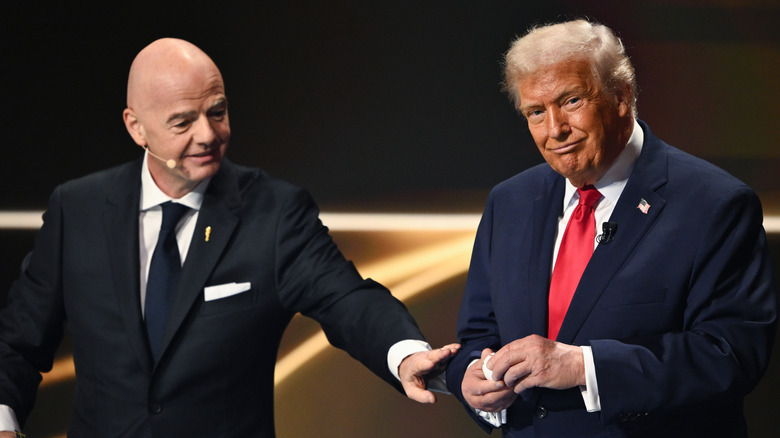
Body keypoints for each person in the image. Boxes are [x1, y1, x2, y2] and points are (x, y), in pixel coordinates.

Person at [0, 38, 458, 437]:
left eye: (217, 112)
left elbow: (347, 299)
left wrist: (404, 355)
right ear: (136, 127)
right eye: (183, 122)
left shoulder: (276, 212)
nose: (208, 135)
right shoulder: (76, 209)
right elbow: (18, 341)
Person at [445, 19, 777, 437]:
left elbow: (731, 355)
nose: (555, 129)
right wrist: (470, 376)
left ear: (621, 96)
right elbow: (478, 334)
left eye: (571, 101)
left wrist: (584, 367)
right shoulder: (510, 202)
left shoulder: (715, 204)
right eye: (536, 112)